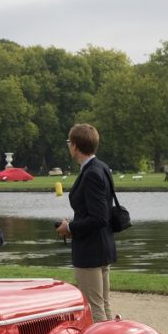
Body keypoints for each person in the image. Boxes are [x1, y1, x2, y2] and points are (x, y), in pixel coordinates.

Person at [56, 123, 117, 322]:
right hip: (102, 246)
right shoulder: (101, 167)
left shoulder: (91, 172)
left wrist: (70, 227)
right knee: (103, 304)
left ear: (75, 145)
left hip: (91, 251)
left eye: (69, 142)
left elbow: (99, 217)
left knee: (94, 308)